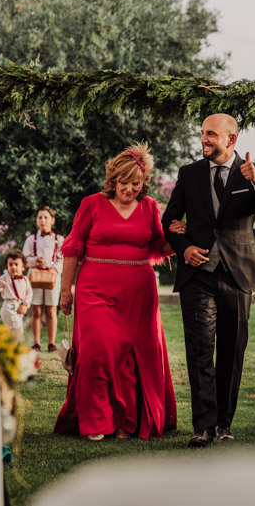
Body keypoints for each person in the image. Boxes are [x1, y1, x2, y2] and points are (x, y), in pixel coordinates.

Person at [161, 113, 255, 448]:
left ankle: (224, 424)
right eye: (203, 133)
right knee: (200, 351)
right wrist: (183, 249)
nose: (204, 139)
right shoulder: (189, 173)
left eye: (211, 134)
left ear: (231, 139)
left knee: (232, 351)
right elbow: (169, 218)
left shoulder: (253, 172)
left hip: (238, 273)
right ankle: (203, 426)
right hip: (197, 274)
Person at [55, 143, 177, 441]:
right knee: (98, 351)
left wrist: (180, 234)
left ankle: (127, 423)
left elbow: (160, 247)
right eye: (125, 183)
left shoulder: (150, 207)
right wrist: (65, 291)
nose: (130, 189)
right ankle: (97, 422)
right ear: (113, 180)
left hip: (139, 293)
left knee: (132, 356)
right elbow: (72, 247)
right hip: (95, 288)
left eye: (136, 184)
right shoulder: (92, 204)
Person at [22, 206, 65, 352]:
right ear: (36, 220)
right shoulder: (30, 240)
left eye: (46, 217)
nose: (43, 220)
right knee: (36, 310)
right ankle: (36, 343)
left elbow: (62, 259)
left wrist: (52, 269)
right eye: (40, 217)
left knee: (51, 310)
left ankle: (52, 343)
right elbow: (25, 260)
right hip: (35, 277)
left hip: (52, 278)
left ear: (52, 220)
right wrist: (36, 261)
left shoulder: (59, 240)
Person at [0, 250, 31, 342]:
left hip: (19, 306)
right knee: (17, 330)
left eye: (16, 264)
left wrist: (25, 305)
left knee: (16, 331)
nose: (13, 267)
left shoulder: (25, 280)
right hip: (9, 307)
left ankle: (7, 347)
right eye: (10, 264)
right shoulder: (6, 278)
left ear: (23, 267)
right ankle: (13, 349)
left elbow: (29, 293)